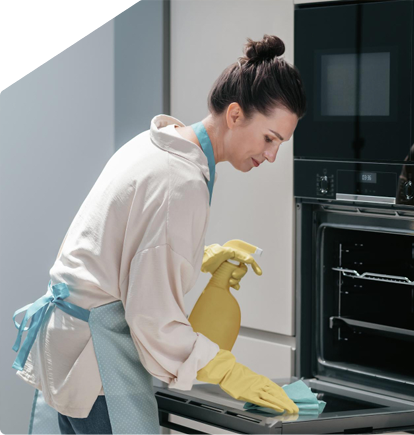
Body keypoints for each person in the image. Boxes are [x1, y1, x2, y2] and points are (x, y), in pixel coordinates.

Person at [10, 34, 305, 435]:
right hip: (100, 362)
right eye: (270, 138)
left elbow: (117, 241)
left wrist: (194, 256)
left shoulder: (158, 144)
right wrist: (228, 371)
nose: (272, 155)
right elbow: (153, 319)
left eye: (280, 145)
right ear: (235, 114)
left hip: (70, 345)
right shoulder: (180, 183)